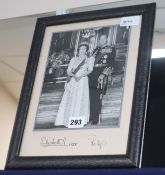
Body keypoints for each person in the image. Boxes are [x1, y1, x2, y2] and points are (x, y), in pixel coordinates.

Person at [54, 43, 95, 127]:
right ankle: (67, 120)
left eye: (84, 49)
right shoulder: (73, 59)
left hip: (82, 81)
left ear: (86, 50)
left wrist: (81, 76)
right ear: (78, 50)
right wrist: (74, 76)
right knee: (71, 99)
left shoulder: (89, 59)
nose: (82, 50)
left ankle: (78, 120)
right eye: (81, 49)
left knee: (80, 99)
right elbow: (69, 71)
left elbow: (90, 70)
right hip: (73, 80)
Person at [88, 34, 116, 125]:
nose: (100, 40)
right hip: (92, 73)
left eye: (103, 39)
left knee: (97, 96)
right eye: (100, 39)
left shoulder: (111, 49)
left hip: (101, 74)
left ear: (106, 39)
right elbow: (90, 62)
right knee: (90, 95)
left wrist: (104, 74)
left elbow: (111, 64)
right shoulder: (96, 50)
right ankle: (90, 116)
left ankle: (96, 117)